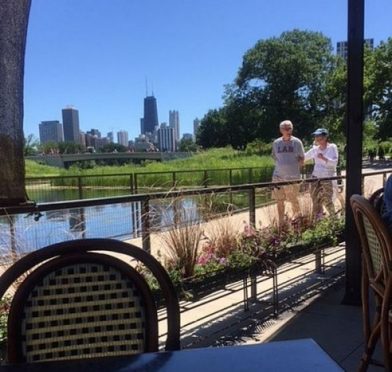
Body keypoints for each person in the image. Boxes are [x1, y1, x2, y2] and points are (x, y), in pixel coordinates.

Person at [272, 120, 305, 226]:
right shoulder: (276, 143)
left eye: (289, 128)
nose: (287, 130)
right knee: (279, 200)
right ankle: (281, 222)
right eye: (285, 128)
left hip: (292, 177)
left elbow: (301, 158)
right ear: (281, 130)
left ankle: (298, 221)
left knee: (293, 199)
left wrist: (294, 169)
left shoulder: (297, 142)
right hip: (278, 177)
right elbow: (274, 156)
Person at [304, 128, 338, 219]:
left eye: (320, 136)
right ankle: (318, 220)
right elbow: (304, 157)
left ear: (325, 137)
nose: (317, 138)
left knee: (327, 200)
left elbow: (334, 163)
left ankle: (334, 220)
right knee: (315, 199)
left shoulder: (332, 147)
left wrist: (324, 158)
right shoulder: (315, 149)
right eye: (316, 136)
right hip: (315, 177)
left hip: (327, 177)